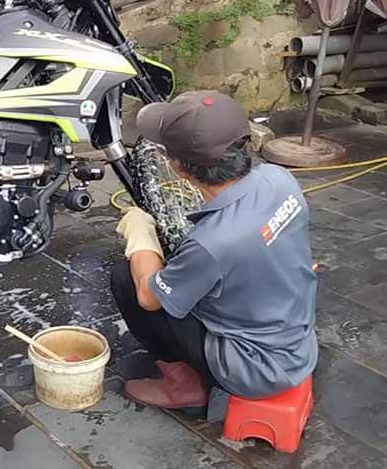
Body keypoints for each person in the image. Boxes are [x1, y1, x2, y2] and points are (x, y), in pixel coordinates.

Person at [111, 90, 317, 414]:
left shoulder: (212, 243)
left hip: (254, 370)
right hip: (295, 344)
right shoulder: (279, 179)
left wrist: (141, 235)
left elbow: (149, 297)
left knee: (127, 277)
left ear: (179, 166)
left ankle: (185, 387)